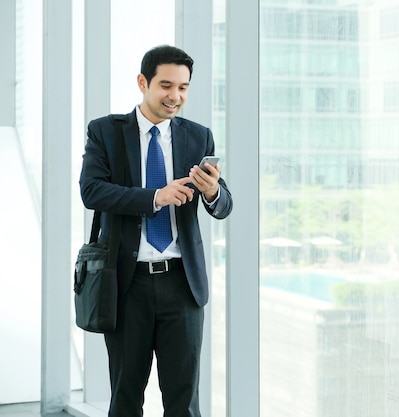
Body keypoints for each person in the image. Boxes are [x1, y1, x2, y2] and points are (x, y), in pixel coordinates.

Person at [79, 45, 233, 417]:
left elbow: (224, 205)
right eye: (166, 85)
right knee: (127, 398)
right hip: (128, 283)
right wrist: (156, 197)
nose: (175, 96)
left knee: (184, 403)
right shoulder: (106, 132)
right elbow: (92, 190)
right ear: (143, 82)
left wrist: (212, 191)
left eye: (183, 88)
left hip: (182, 285)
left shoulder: (198, 136)